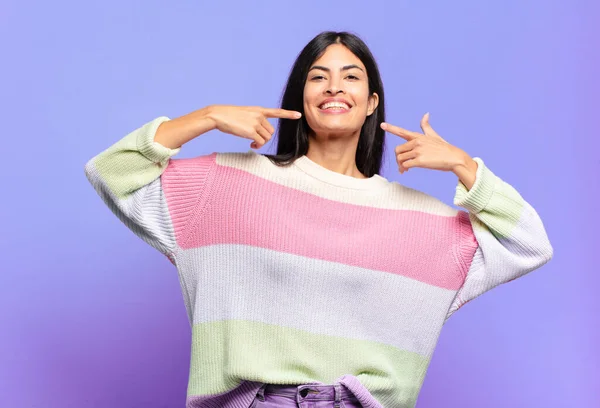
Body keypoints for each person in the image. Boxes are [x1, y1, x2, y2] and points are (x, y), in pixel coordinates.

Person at [84, 31, 553, 408]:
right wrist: (205, 117)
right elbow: (110, 172)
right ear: (300, 97)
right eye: (318, 76)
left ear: (371, 102)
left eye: (351, 76)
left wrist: (463, 165)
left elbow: (529, 242)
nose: (333, 87)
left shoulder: (423, 221)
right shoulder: (224, 184)